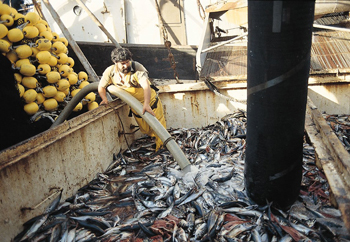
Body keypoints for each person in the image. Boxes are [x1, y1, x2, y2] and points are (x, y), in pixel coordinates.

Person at [98, 47, 166, 151]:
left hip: (151, 102)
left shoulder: (137, 68)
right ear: (115, 62)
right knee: (146, 129)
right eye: (122, 63)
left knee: (159, 128)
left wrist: (147, 104)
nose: (126, 65)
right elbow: (101, 86)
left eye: (127, 62)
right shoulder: (110, 71)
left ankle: (162, 149)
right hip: (134, 105)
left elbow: (146, 87)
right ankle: (157, 140)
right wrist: (104, 98)